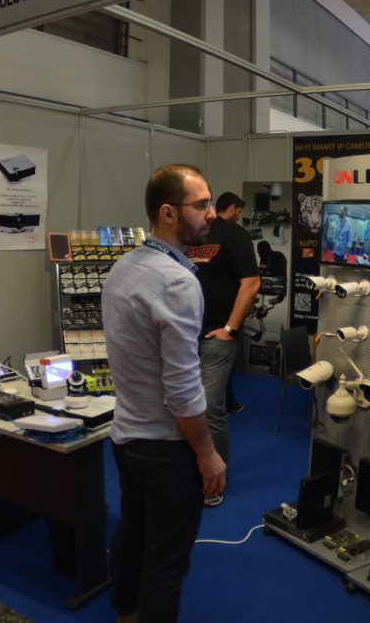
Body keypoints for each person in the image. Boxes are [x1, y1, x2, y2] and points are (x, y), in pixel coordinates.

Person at [102, 164, 227, 623]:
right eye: (202, 205)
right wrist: (207, 454)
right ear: (168, 212)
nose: (212, 213)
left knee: (133, 531)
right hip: (165, 447)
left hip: (126, 435)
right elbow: (182, 388)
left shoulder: (125, 266)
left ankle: (125, 611)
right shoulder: (176, 282)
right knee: (167, 561)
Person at [193, 192, 260, 507]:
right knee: (179, 406)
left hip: (216, 335)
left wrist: (230, 329)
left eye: (203, 203)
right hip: (182, 336)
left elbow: (251, 283)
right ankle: (190, 469)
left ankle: (214, 480)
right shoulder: (187, 234)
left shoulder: (233, 234)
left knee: (210, 407)